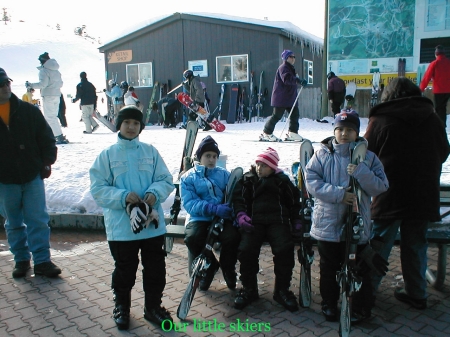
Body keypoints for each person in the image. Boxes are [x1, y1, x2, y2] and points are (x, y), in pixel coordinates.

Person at [364, 77, 450, 310]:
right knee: (416, 244)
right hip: (424, 195)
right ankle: (416, 293)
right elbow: (444, 152)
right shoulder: (432, 118)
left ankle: (366, 293)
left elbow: (364, 155)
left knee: (379, 245)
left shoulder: (380, 120)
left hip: (389, 196)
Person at [89, 106, 175, 331]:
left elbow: (166, 179)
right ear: (119, 124)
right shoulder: (107, 155)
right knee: (125, 270)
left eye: (136, 123)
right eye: (126, 122)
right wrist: (123, 196)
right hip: (122, 228)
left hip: (152, 226)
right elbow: (98, 188)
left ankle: (153, 307)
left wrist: (154, 193)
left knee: (156, 268)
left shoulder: (150, 151)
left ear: (141, 127)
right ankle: (122, 307)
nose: (131, 127)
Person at [305, 110, 389, 322]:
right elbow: (311, 182)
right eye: (340, 129)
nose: (344, 133)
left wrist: (361, 172)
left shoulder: (368, 157)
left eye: (350, 130)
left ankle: (360, 305)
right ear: (334, 130)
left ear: (356, 132)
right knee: (329, 267)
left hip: (357, 225)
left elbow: (381, 186)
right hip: (328, 224)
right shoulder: (322, 154)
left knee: (359, 266)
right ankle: (329, 303)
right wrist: (339, 194)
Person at [0, 67, 62, 279]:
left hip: (31, 175)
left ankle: (42, 261)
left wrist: (46, 162)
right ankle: (21, 260)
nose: (5, 87)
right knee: (13, 222)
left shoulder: (28, 111)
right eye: (0, 85)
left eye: (6, 82)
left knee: (38, 219)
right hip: (5, 180)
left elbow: (46, 138)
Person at [231, 147, 301, 312]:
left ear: (273, 167)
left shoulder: (282, 182)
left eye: (264, 165)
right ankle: (249, 289)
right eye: (258, 164)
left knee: (284, 248)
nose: (259, 168)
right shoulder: (248, 179)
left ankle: (282, 290)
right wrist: (241, 215)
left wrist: (297, 219)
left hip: (278, 221)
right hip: (254, 221)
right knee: (246, 250)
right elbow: (238, 198)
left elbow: (294, 202)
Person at [180, 135, 240, 291]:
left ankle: (227, 268)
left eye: (214, 156)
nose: (212, 159)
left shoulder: (224, 174)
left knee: (232, 237)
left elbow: (233, 194)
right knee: (193, 238)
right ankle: (211, 265)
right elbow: (190, 203)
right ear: (200, 157)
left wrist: (230, 210)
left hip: (221, 217)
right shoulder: (188, 178)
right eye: (208, 156)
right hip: (199, 217)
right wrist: (212, 208)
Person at [261, 50, 306, 142]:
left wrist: (298, 80)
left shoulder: (290, 68)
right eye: (291, 57)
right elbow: (286, 79)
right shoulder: (283, 67)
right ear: (286, 58)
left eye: (294, 57)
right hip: (281, 97)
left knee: (294, 115)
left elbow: (292, 79)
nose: (293, 59)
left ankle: (293, 133)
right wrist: (298, 80)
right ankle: (266, 133)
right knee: (277, 115)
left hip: (290, 98)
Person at [27, 52, 68, 144]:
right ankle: (58, 134)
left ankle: (58, 136)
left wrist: (31, 85)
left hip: (48, 95)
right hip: (57, 94)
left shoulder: (44, 71)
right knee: (53, 116)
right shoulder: (56, 71)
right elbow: (61, 83)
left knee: (49, 117)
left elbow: (43, 84)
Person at [419, 45, 450, 127]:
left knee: (439, 109)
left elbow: (427, 77)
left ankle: (440, 126)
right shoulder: (448, 62)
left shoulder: (434, 64)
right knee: (443, 107)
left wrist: (421, 89)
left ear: (436, 54)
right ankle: (442, 125)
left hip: (439, 90)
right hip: (448, 90)